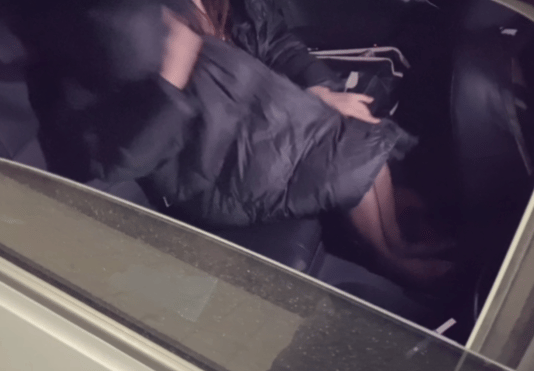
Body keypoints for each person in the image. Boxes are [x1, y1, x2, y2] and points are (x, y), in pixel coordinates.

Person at [8, 0, 454, 289]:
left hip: (258, 127)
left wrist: (320, 90)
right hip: (210, 173)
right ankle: (388, 256)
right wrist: (170, 82)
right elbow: (117, 161)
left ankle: (395, 242)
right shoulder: (110, 35)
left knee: (359, 136)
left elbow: (274, 41)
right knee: (347, 158)